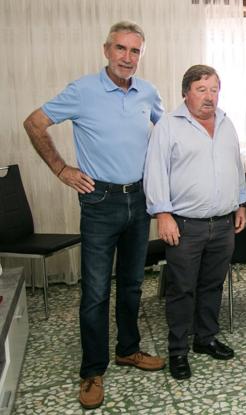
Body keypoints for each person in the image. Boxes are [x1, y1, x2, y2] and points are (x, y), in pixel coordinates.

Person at [22, 21, 165, 409]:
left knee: (134, 283)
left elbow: (167, 134)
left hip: (139, 200)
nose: (127, 57)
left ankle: (129, 349)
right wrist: (61, 169)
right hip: (100, 202)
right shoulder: (83, 90)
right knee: (97, 291)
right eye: (121, 49)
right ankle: (92, 370)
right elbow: (34, 123)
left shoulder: (147, 92)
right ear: (106, 50)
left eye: (135, 51)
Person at [143, 65, 246, 379]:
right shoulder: (168, 126)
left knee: (213, 285)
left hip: (223, 223)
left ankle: (206, 338)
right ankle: (177, 350)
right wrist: (163, 214)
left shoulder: (227, 123)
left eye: (214, 89)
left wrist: (241, 203)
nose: (209, 97)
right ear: (185, 93)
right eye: (201, 90)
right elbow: (155, 171)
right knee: (182, 289)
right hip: (185, 225)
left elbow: (237, 166)